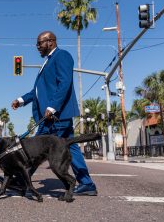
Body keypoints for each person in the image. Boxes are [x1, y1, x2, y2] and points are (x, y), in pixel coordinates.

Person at [6, 31, 97, 195]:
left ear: (51, 42)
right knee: (71, 147)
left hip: (55, 116)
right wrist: (21, 100)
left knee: (36, 148)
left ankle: (21, 181)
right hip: (55, 116)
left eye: (40, 43)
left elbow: (65, 82)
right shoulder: (47, 62)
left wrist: (53, 106)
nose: (38, 47)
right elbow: (38, 91)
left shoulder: (62, 56)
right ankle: (87, 183)